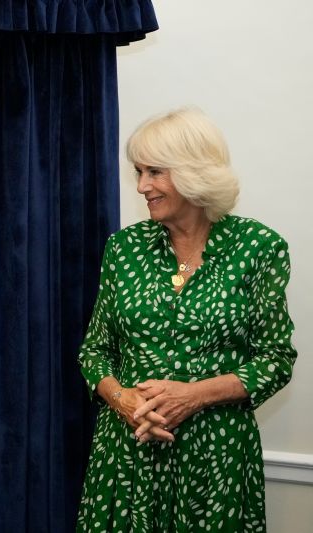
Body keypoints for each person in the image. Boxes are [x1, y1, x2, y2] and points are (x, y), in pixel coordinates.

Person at [76, 109, 296, 531]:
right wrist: (122, 400)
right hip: (127, 452)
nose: (142, 186)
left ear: (194, 172)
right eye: (139, 172)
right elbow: (95, 351)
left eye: (155, 171)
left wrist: (194, 395)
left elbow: (275, 360)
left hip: (215, 459)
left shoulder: (258, 247)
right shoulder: (123, 249)